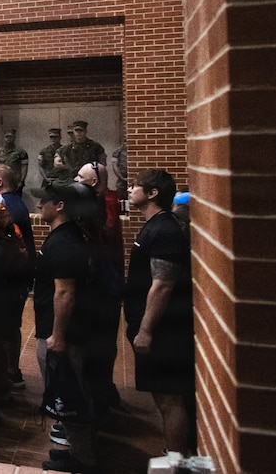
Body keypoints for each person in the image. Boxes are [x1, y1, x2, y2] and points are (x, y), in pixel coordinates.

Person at [125, 169, 196, 456]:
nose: (130, 190)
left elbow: (163, 285)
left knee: (170, 399)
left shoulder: (164, 230)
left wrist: (146, 330)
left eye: (135, 186)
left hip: (164, 331)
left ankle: (176, 459)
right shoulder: (155, 225)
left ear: (152, 193)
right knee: (163, 397)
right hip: (156, 327)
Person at [31, 182, 97, 473]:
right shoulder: (65, 237)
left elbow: (65, 293)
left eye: (43, 200)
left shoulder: (65, 243)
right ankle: (77, 449)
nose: (38, 205)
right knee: (67, 394)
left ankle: (85, 459)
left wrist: (57, 335)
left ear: (59, 206)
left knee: (70, 396)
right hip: (62, 330)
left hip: (64, 334)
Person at [74, 161, 125, 417]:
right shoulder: (103, 203)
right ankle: (104, 393)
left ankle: (99, 403)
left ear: (93, 182)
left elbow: (102, 237)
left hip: (104, 291)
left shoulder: (104, 205)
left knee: (100, 348)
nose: (75, 179)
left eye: (80, 176)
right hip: (106, 287)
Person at [0, 164, 36, 392]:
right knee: (10, 326)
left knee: (3, 327)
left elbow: (3, 244)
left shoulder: (5, 205)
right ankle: (11, 371)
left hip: (9, 278)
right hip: (16, 276)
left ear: (0, 183)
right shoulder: (13, 202)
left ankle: (6, 374)